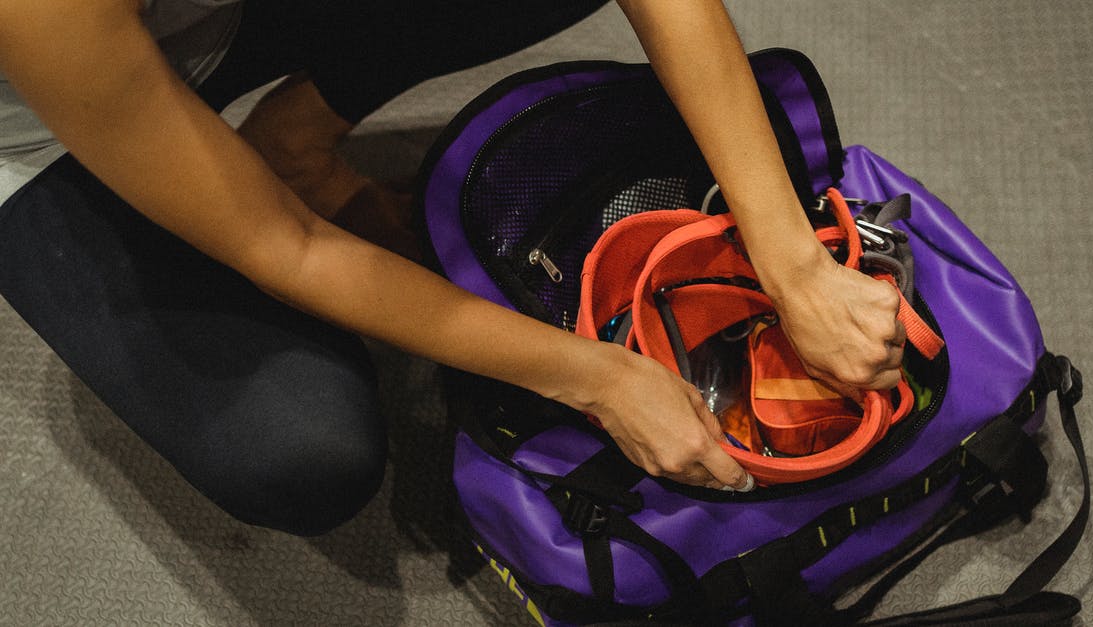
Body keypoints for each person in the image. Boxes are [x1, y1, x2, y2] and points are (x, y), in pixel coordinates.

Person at [0, 1, 905, 536]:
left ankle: (295, 138)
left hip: (204, 21)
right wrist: (596, 378)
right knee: (300, 451)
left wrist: (792, 260)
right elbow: (285, 245)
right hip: (40, 124)